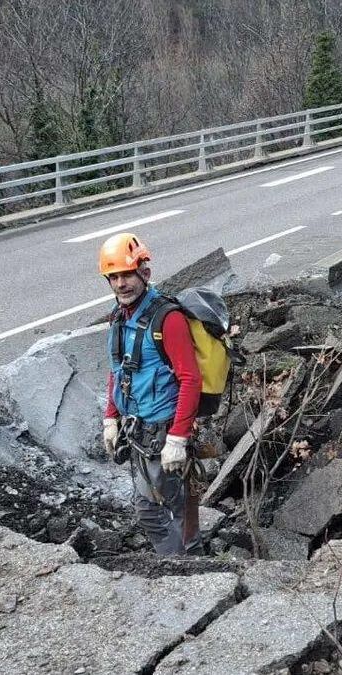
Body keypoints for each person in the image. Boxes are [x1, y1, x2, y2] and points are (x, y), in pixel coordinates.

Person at [98, 233, 202, 555]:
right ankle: (188, 561)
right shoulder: (118, 318)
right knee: (159, 506)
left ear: (144, 272)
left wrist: (178, 439)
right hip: (137, 431)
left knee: (167, 504)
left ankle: (187, 566)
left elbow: (190, 379)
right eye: (113, 277)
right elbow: (118, 372)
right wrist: (110, 419)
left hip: (163, 430)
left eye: (126, 275)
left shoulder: (167, 319)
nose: (120, 284)